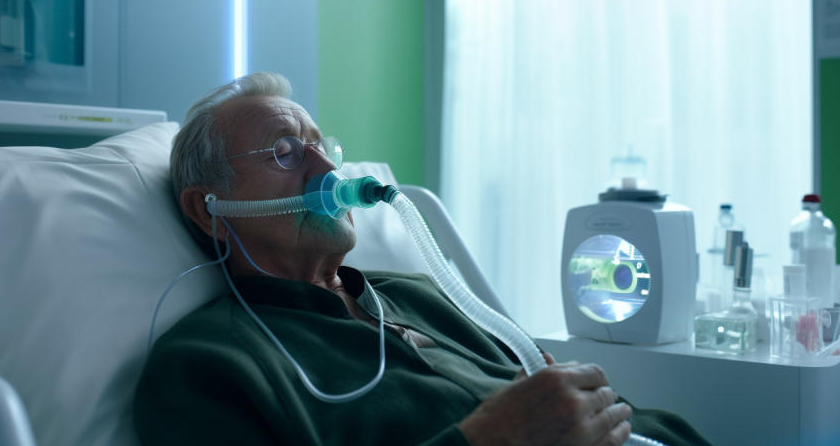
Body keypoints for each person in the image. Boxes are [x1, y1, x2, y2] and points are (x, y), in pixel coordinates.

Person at [134, 72, 709, 446]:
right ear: (209, 211)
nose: (330, 173)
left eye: (325, 148)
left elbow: (618, 417)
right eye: (285, 152)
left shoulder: (420, 296)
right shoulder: (210, 363)